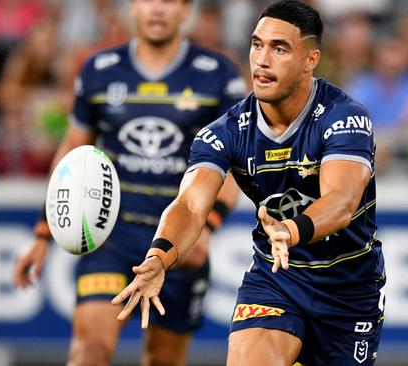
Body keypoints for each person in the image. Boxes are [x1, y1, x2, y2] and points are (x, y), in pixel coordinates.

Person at [112, 1, 386, 365]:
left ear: (310, 60)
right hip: (276, 279)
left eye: (279, 48)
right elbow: (191, 204)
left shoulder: (344, 117)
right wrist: (159, 256)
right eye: (257, 45)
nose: (262, 59)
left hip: (349, 291)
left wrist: (290, 231)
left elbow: (341, 202)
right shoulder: (225, 132)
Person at [12, 0, 244, 365]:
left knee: (162, 361)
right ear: (132, 6)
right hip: (110, 238)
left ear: (186, 10)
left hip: (176, 245)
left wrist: (207, 228)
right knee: (88, 353)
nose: (157, 10)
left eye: (169, 1)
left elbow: (231, 164)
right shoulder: (99, 69)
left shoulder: (217, 74)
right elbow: (73, 149)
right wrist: (44, 232)